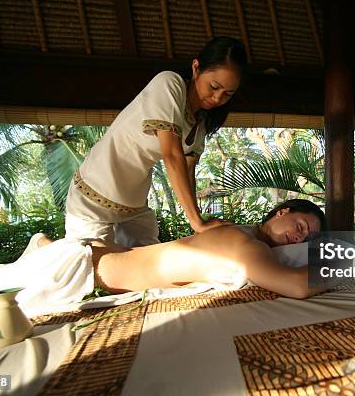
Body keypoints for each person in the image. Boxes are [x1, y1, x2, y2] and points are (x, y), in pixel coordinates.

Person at [65, 36, 247, 248]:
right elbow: (172, 155)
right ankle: (42, 245)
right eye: (214, 86)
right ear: (196, 68)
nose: (217, 98)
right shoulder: (169, 84)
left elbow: (188, 173)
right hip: (94, 195)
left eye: (227, 94)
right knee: (88, 268)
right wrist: (197, 223)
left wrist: (200, 221)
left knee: (146, 267)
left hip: (134, 205)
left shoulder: (202, 124)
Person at [46, 199, 326, 299]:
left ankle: (43, 244)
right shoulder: (243, 243)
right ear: (281, 211)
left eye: (306, 240)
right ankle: (42, 244)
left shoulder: (243, 231)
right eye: (300, 226)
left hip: (106, 254)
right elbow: (296, 285)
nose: (298, 239)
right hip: (83, 267)